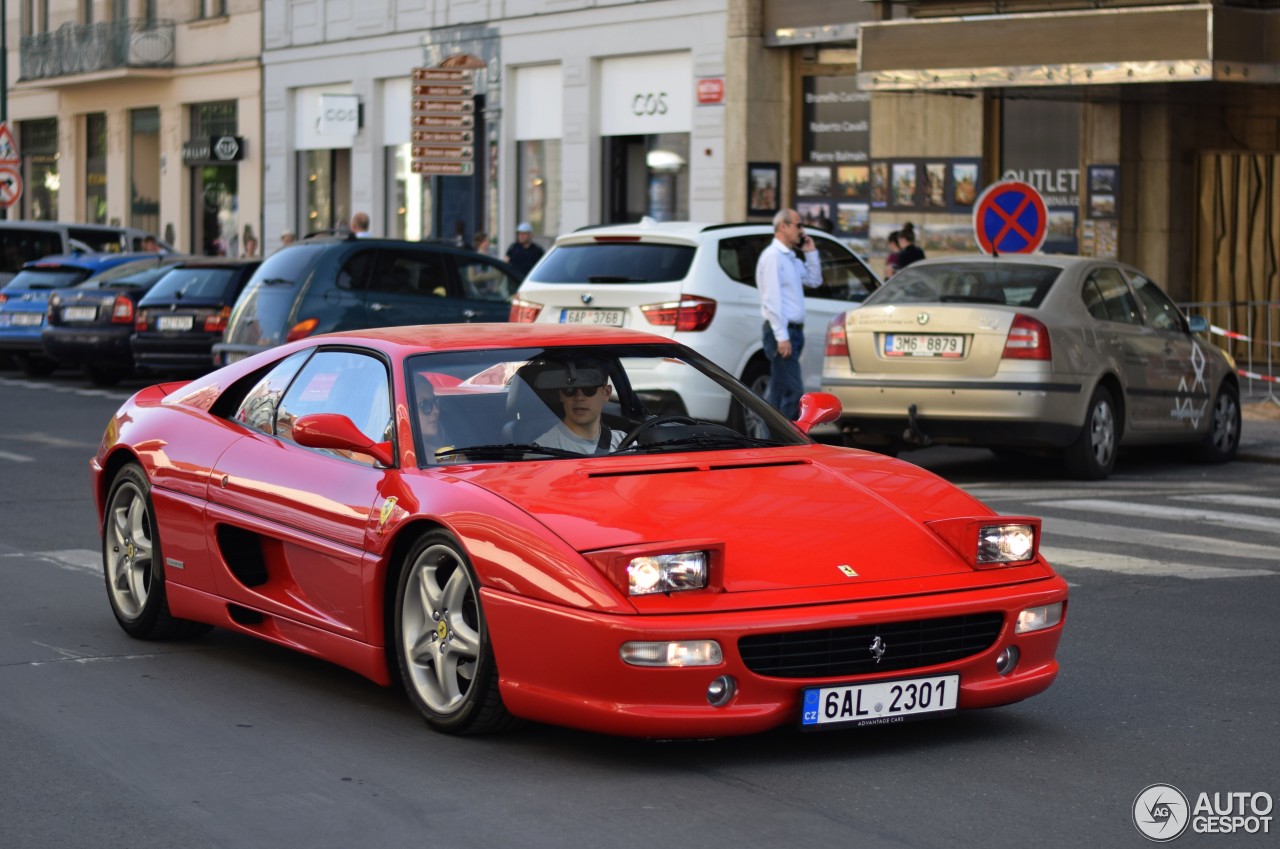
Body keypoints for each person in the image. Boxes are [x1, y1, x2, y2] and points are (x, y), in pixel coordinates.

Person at [756, 208, 823, 420]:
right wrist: (781, 336)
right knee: (792, 391)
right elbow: (771, 300)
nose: (802, 231)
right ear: (783, 226)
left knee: (777, 391)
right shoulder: (773, 257)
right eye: (798, 225)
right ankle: (783, 441)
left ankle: (766, 441)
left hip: (793, 332)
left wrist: (811, 253)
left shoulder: (790, 257)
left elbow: (814, 280)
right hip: (782, 333)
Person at [533, 361, 624, 454]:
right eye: (570, 389)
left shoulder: (624, 444)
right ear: (561, 394)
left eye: (589, 389)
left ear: (606, 393)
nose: (579, 397)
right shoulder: (541, 452)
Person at [415, 379, 454, 463]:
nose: (436, 410)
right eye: (425, 404)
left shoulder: (446, 459)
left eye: (435, 401)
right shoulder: (384, 461)